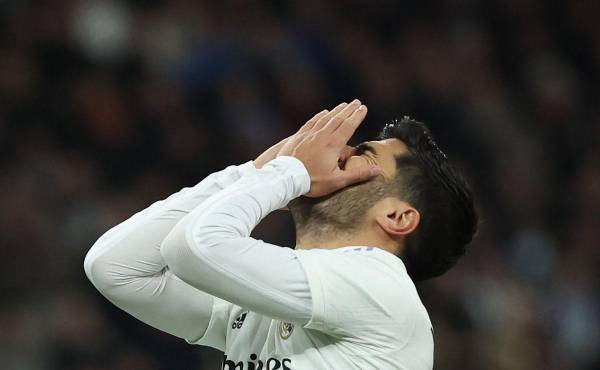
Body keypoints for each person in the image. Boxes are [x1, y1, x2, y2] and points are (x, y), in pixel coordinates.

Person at [84, 100, 478, 370]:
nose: (338, 155)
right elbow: (115, 268)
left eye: (363, 155)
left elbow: (192, 247)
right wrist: (259, 170)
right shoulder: (278, 295)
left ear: (396, 217)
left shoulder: (382, 288)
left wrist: (288, 173)